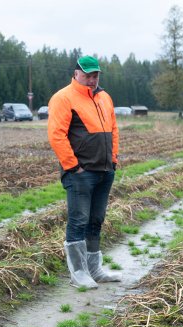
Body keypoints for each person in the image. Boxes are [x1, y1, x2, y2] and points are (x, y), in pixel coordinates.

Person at [48, 55, 121, 289]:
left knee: (96, 221)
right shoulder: (63, 98)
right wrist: (73, 167)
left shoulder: (104, 97)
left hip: (104, 170)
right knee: (79, 220)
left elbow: (113, 130)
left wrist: (113, 160)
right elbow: (56, 135)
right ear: (76, 73)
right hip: (80, 172)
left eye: (95, 75)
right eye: (88, 75)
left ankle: (94, 269)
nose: (92, 80)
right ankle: (78, 273)